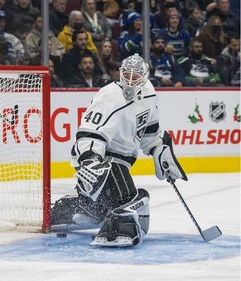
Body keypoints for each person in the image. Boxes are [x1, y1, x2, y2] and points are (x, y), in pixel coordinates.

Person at [51, 53, 187, 247]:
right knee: (129, 201)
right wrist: (90, 160)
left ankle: (72, 209)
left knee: (95, 213)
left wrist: (158, 150)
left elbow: (149, 131)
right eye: (127, 75)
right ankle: (115, 229)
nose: (130, 80)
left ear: (145, 76)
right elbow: (89, 133)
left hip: (122, 162)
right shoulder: (109, 96)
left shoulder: (149, 92)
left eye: (136, 76)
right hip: (100, 161)